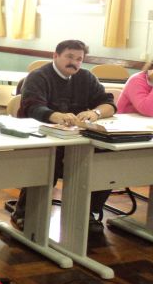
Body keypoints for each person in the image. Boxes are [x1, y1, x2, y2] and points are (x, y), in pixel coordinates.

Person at [14, 39, 116, 232]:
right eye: (70, 57)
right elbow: (32, 107)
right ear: (55, 56)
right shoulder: (39, 76)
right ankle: (24, 212)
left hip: (76, 140)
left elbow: (108, 103)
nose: (75, 63)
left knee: (107, 160)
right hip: (39, 138)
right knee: (50, 160)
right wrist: (57, 116)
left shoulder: (86, 78)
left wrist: (96, 113)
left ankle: (88, 212)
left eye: (79, 59)